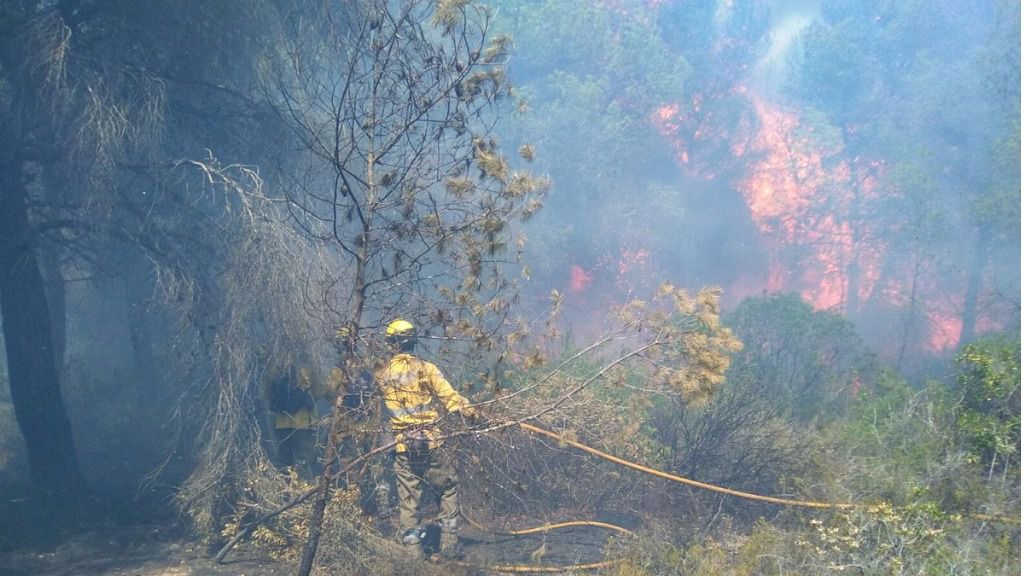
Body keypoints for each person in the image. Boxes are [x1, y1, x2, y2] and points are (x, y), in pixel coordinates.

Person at [375, 318, 479, 557]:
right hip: (430, 443)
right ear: (413, 340)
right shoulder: (426, 369)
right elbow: (451, 399)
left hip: (402, 446)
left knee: (409, 499)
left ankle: (413, 553)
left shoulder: (381, 374)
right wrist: (475, 415)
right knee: (448, 487)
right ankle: (449, 545)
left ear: (391, 343)